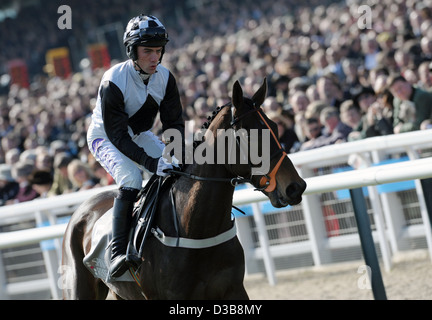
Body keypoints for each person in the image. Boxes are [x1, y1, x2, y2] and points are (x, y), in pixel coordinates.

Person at [86, 14, 184, 278]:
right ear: (132, 51)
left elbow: (174, 123)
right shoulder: (113, 79)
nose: (155, 57)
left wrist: (173, 155)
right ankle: (117, 251)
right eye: (148, 51)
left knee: (177, 169)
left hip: (138, 133)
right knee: (131, 177)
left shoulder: (165, 77)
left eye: (158, 50)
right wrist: (152, 163)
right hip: (105, 136)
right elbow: (118, 136)